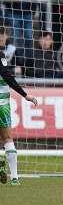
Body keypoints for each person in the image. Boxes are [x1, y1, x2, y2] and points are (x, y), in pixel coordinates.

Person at [0, 50, 38, 185]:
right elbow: (5, 75)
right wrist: (25, 95)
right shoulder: (0, 54)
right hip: (2, 102)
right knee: (7, 138)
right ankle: (15, 177)